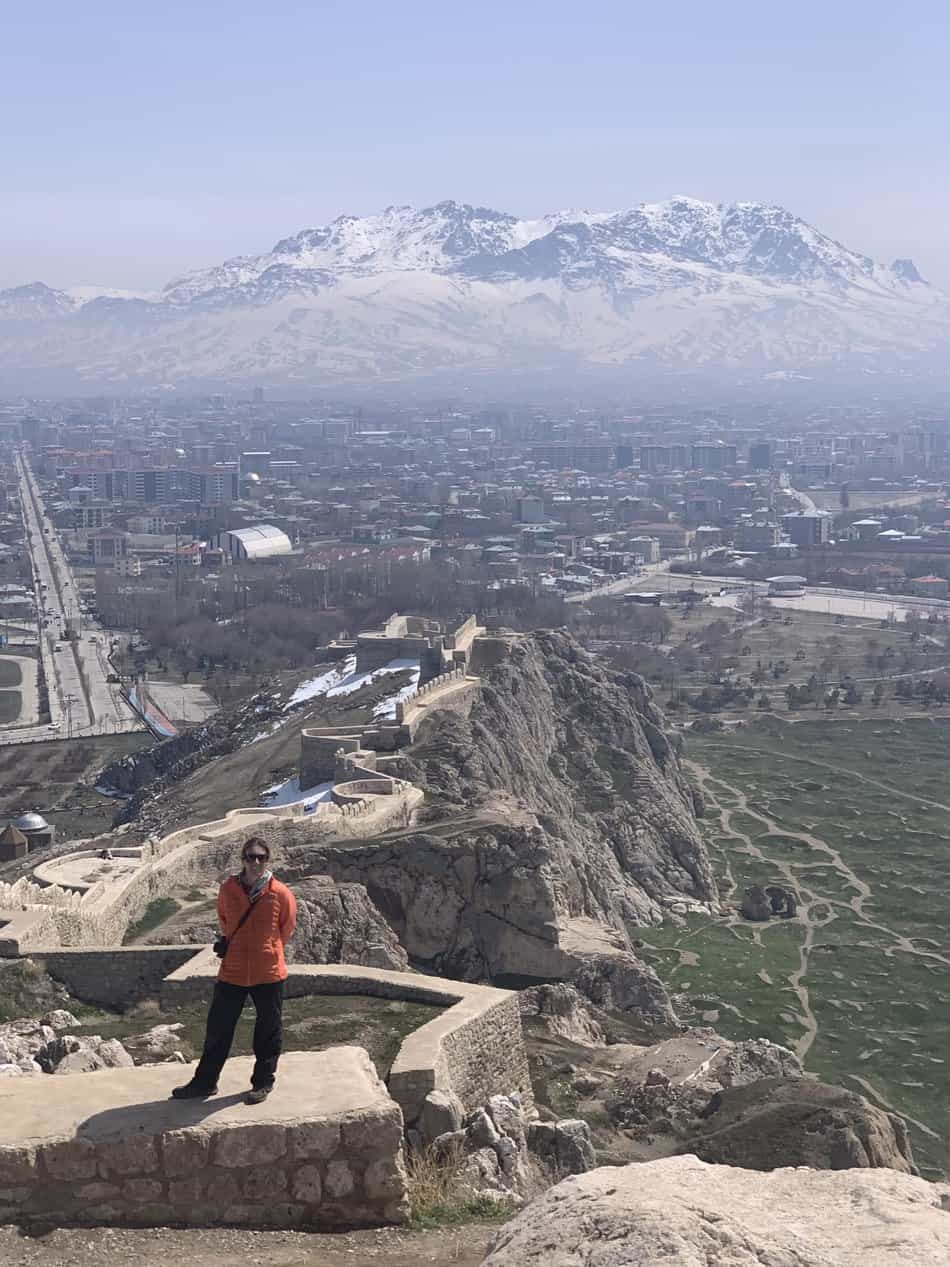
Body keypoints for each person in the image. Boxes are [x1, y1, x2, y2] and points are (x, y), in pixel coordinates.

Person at [172, 837, 296, 1105]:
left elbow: (286, 928)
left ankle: (263, 1082)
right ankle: (204, 1082)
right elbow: (225, 920)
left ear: (267, 860)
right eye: (251, 857)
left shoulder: (280, 893)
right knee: (218, 1029)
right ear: (243, 859)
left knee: (268, 1031)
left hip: (268, 972)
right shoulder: (228, 889)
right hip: (234, 971)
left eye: (261, 857)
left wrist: (268, 949)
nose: (256, 862)